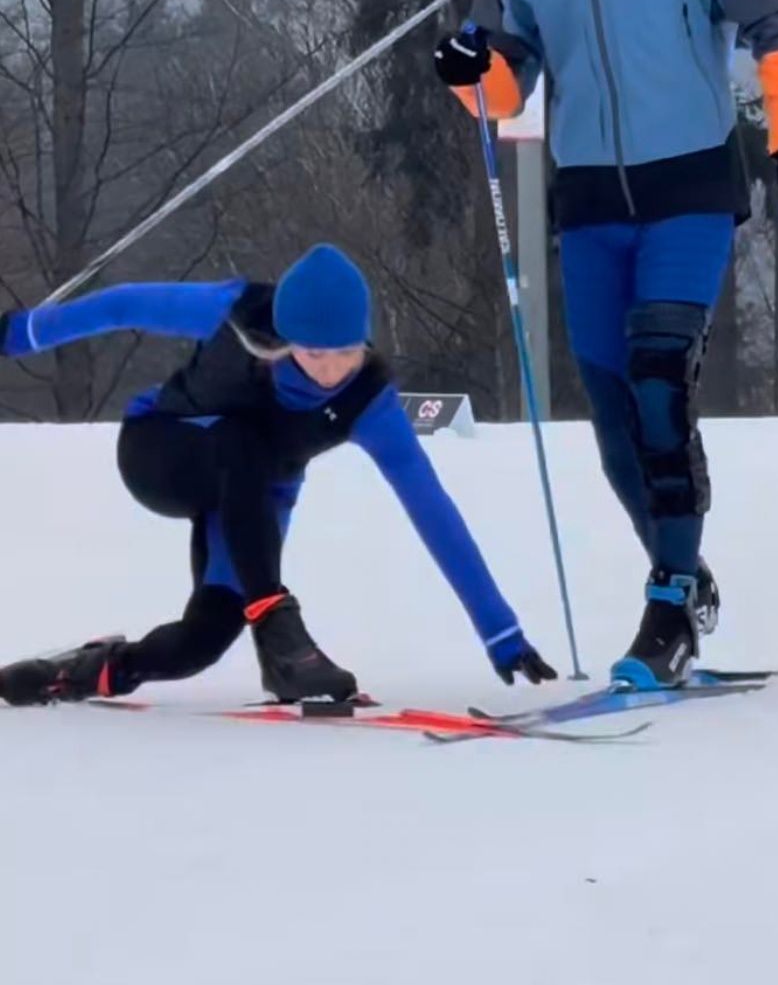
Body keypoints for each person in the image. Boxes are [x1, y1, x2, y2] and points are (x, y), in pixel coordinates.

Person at [435, 0, 778, 689]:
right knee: (614, 430)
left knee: (658, 382)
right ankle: (681, 571)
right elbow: (506, 85)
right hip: (590, 199)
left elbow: (776, 21)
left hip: (689, 188)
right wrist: (470, 74)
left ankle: (667, 604)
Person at [0, 243, 555, 707]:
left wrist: (501, 631)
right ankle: (279, 629)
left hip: (251, 499)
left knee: (203, 640)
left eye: (347, 352)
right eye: (314, 354)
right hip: (161, 452)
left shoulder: (371, 402)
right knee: (242, 440)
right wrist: (16, 334)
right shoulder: (235, 313)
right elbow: (123, 305)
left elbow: (431, 506)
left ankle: (89, 671)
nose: (332, 371)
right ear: (285, 339)